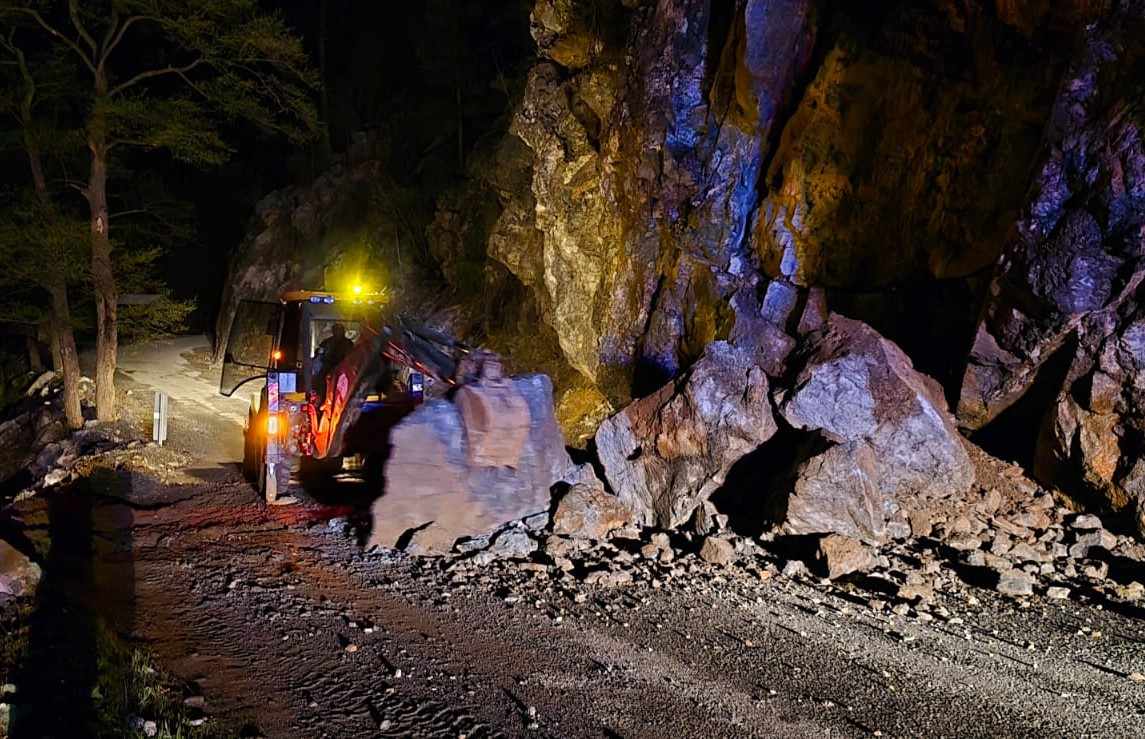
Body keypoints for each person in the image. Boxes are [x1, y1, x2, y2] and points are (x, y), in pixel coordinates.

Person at [314, 323, 355, 406]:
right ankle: (322, 400)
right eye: (336, 330)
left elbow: (352, 356)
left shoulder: (348, 343)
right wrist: (320, 355)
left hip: (344, 368)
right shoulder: (326, 342)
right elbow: (319, 353)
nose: (338, 332)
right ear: (333, 331)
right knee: (322, 379)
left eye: (340, 330)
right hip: (329, 367)